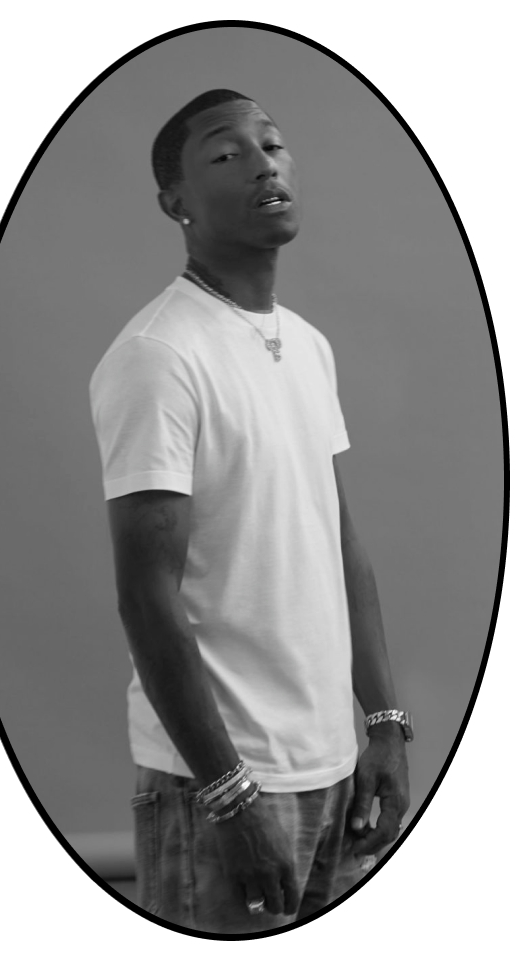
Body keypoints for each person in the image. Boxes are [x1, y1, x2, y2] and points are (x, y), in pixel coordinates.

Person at [89, 89, 411, 934]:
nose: (264, 164)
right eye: (227, 154)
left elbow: (340, 543)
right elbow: (146, 596)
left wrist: (382, 725)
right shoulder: (158, 355)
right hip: (223, 782)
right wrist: (229, 795)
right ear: (176, 203)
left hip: (335, 771)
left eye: (272, 144)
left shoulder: (307, 345)